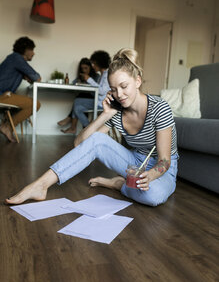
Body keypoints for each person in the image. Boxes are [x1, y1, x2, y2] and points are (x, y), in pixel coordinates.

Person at [5, 48, 178, 207]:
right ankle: (41, 185)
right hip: (134, 162)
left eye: (124, 86)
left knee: (153, 196)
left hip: (162, 168)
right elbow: (80, 143)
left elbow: (165, 160)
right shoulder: (117, 112)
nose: (119, 94)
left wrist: (152, 175)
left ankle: (118, 184)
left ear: (138, 81)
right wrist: (106, 114)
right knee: (97, 139)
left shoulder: (159, 108)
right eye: (113, 89)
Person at [58, 50, 111, 134]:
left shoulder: (107, 74)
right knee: (77, 107)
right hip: (98, 101)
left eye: (94, 63)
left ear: (99, 63)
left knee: (77, 101)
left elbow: (101, 91)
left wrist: (88, 79)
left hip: (102, 103)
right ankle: (89, 130)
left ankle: (87, 130)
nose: (93, 66)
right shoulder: (102, 75)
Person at [0, 36, 41, 142]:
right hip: (2, 95)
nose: (33, 53)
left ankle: (7, 125)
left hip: (4, 94)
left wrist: (26, 76)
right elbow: (37, 78)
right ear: (25, 50)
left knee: (32, 103)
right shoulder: (17, 58)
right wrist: (29, 76)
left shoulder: (13, 59)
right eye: (32, 50)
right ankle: (7, 126)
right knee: (35, 104)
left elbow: (31, 78)